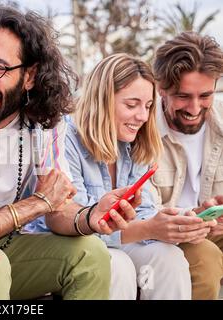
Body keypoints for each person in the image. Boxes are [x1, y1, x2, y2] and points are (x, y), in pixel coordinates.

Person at [0, 4, 138, 300]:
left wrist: (89, 215)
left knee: (91, 253)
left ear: (30, 76)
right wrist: (33, 205)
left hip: (6, 248)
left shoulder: (43, 122)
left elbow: (57, 208)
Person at [67, 53, 211, 299]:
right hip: (77, 244)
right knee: (116, 264)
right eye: (131, 105)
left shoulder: (133, 144)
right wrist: (148, 229)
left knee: (169, 257)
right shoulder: (66, 139)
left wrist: (176, 222)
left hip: (116, 241)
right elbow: (78, 223)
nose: (143, 117)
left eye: (147, 107)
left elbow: (143, 213)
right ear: (101, 101)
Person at [151, 31, 223, 300]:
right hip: (164, 237)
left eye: (205, 95)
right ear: (161, 87)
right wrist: (194, 218)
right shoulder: (139, 129)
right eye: (183, 96)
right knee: (205, 259)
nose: (194, 108)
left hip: (212, 230)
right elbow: (141, 212)